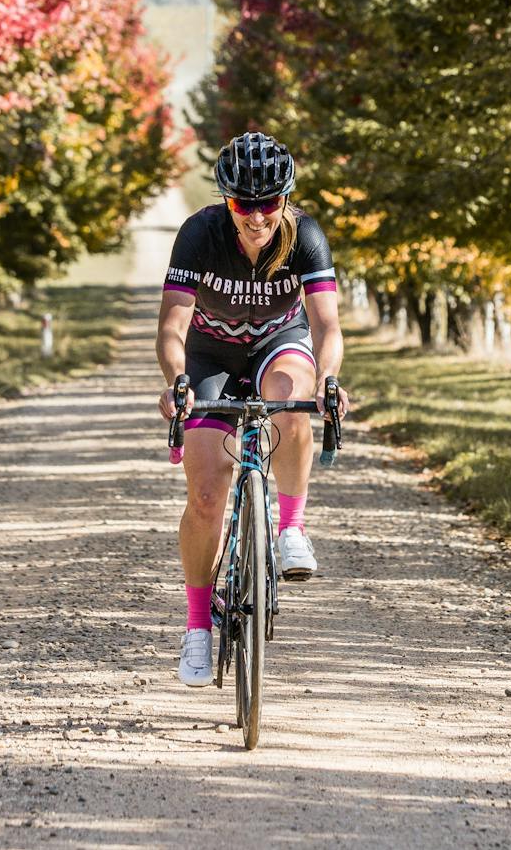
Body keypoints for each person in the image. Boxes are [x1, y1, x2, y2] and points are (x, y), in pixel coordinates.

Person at [156, 130, 349, 686]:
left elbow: (326, 325)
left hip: (277, 343)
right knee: (208, 493)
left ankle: (291, 528)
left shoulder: (305, 235)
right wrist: (178, 381)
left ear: (284, 199)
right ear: (227, 200)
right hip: (209, 351)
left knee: (292, 397)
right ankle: (197, 626)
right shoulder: (199, 234)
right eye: (245, 204)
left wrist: (330, 376)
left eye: (269, 203)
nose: (258, 216)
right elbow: (171, 326)